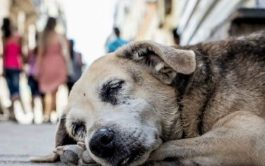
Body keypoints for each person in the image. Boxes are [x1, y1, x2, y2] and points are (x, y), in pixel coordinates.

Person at [36, 17, 68, 122]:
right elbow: (65, 52)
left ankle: (47, 114)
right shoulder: (59, 36)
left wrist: (38, 68)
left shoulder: (44, 36)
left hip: (46, 64)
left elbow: (40, 53)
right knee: (55, 92)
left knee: (47, 91)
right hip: (58, 64)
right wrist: (67, 67)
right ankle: (51, 114)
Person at [1, 18, 25, 122]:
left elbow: (3, 55)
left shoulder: (4, 38)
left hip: (7, 67)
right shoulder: (18, 37)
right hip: (15, 67)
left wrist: (3, 69)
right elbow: (21, 53)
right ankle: (13, 112)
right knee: (16, 91)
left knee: (12, 91)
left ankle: (12, 113)